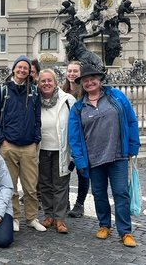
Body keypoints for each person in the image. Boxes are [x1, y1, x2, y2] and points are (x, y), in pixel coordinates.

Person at [68, 65, 141, 248]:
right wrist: (80, 160)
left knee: (120, 193)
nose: (89, 82)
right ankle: (104, 225)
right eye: (85, 80)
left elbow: (131, 120)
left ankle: (125, 231)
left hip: (117, 155)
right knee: (99, 193)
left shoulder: (116, 97)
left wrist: (133, 145)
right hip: (93, 158)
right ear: (81, 83)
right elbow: (74, 137)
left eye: (93, 78)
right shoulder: (78, 107)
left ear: (99, 80)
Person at [0, 56, 45, 232]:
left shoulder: (34, 92)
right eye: (19, 67)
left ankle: (32, 218)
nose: (22, 70)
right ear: (13, 69)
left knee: (31, 187)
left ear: (29, 71)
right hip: (9, 145)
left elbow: (37, 119)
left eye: (25, 68)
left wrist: (36, 140)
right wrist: (2, 140)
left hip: (29, 146)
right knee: (10, 186)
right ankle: (14, 217)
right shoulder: (3, 90)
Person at [37, 69, 76, 234]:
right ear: (38, 84)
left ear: (56, 82)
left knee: (60, 185)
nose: (46, 84)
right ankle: (48, 215)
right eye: (43, 81)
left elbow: (75, 126)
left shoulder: (68, 100)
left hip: (61, 149)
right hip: (41, 149)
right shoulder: (34, 100)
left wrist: (75, 152)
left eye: (49, 81)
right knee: (44, 184)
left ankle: (60, 218)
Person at [61, 61, 89, 218]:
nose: (72, 74)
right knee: (63, 171)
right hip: (64, 138)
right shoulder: (61, 91)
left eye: (75, 71)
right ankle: (64, 201)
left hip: (81, 138)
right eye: (69, 71)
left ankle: (80, 204)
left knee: (82, 171)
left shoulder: (85, 93)